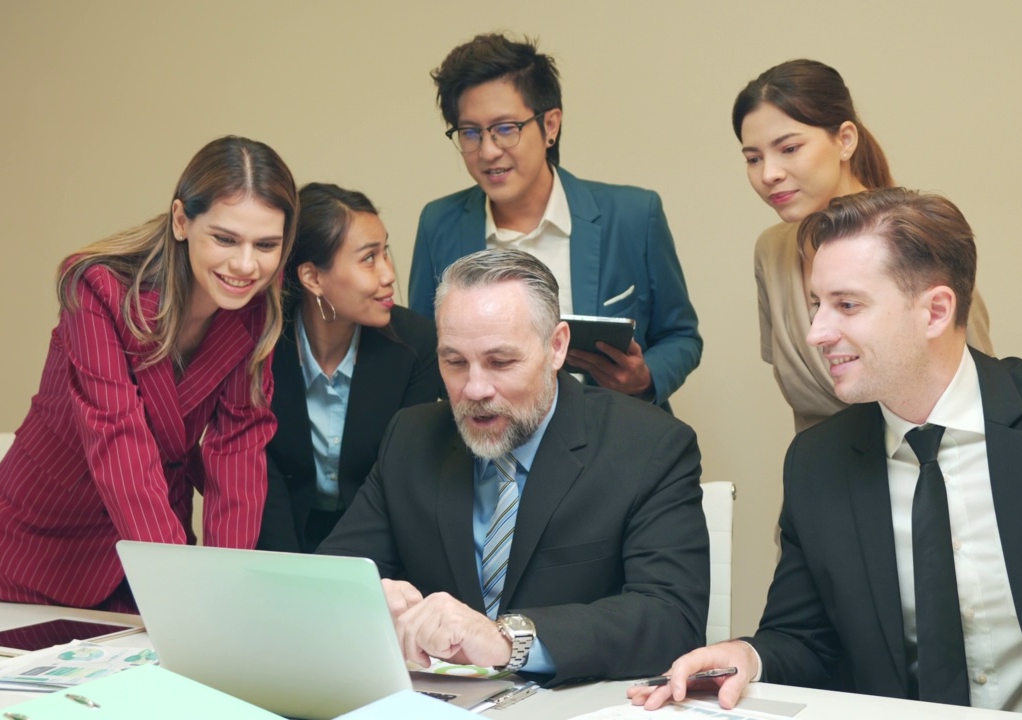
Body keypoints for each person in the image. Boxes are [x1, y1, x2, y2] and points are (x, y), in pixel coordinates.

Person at [631, 189, 1022, 720]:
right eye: (817, 304)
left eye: (847, 305)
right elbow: (804, 638)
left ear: (934, 311)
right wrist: (744, 655)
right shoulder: (819, 462)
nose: (817, 332)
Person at [321, 249, 708, 686]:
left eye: (501, 362)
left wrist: (509, 640)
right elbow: (328, 579)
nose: (475, 388)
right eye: (454, 362)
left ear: (556, 347)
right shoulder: (410, 438)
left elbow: (671, 618)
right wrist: (365, 595)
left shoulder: (648, 445)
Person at [0, 136, 297, 612]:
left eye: (266, 245)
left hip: (150, 536)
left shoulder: (255, 305)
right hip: (43, 538)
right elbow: (117, 438)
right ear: (182, 221)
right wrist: (179, 587)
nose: (246, 265)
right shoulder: (98, 288)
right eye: (225, 239)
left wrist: (223, 587)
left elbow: (238, 450)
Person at [408, 33, 702, 409]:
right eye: (470, 132)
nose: (488, 151)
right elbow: (422, 351)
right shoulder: (440, 224)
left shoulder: (632, 215)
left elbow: (681, 336)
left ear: (550, 126)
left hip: (614, 433)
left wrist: (644, 378)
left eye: (505, 129)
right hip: (490, 443)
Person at [735, 59, 994, 431]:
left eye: (789, 149)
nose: (768, 174)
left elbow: (976, 383)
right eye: (753, 159)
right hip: (826, 477)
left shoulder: (910, 238)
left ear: (844, 140)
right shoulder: (772, 252)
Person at [256, 183, 442, 553]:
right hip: (282, 541)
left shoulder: (415, 344)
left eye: (385, 252)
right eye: (368, 258)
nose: (388, 274)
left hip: (379, 548)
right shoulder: (261, 348)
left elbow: (403, 481)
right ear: (312, 277)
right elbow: (263, 477)